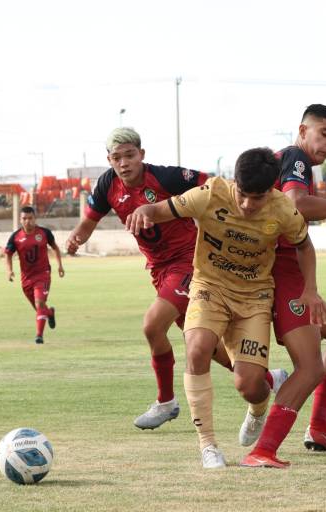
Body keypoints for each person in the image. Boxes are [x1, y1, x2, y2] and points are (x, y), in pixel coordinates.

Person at [66, 128, 284, 430]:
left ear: (142, 154)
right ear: (109, 160)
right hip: (159, 271)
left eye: (130, 155)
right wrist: (77, 237)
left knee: (152, 324)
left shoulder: (166, 177)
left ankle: (166, 402)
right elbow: (88, 222)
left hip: (188, 263)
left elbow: (213, 184)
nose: (125, 163)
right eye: (117, 158)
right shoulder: (107, 185)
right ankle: (270, 378)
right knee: (201, 345)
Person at [126, 147, 326, 469]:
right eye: (243, 194)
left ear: (272, 190)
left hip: (254, 298)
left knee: (249, 385)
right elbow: (161, 209)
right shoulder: (210, 194)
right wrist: (145, 211)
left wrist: (311, 290)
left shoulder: (283, 210)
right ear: (234, 181)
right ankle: (208, 446)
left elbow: (304, 245)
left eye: (257, 197)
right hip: (210, 287)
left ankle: (258, 407)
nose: (248, 204)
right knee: (198, 348)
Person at [241, 105, 326, 464]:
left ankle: (319, 428)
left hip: (288, 273)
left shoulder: (292, 162)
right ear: (303, 130)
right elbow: (296, 205)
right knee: (310, 367)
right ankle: (263, 449)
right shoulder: (295, 159)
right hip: (281, 275)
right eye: (324, 133)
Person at [5, 206, 64, 344]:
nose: (27, 221)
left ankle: (39, 336)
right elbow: (7, 254)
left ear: (35, 218)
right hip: (26, 278)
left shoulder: (44, 233)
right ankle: (50, 313)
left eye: (30, 218)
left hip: (43, 274)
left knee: (39, 303)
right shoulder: (15, 237)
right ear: (20, 220)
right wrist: (9, 270)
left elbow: (55, 247)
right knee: (40, 308)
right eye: (24, 219)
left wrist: (60, 265)